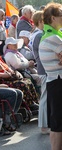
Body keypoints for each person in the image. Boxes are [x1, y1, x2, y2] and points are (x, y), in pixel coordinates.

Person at [0, 40, 39, 111]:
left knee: (27, 81)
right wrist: (4, 75)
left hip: (8, 77)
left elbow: (5, 66)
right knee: (21, 84)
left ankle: (33, 102)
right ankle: (28, 106)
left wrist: (12, 71)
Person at [39, 2, 62, 150]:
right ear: (53, 18)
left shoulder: (50, 34)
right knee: (58, 124)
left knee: (57, 122)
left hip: (54, 81)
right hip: (58, 82)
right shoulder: (54, 37)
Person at [29, 10, 50, 134]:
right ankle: (43, 126)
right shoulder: (38, 35)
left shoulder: (40, 34)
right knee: (45, 98)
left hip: (45, 69)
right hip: (44, 69)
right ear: (41, 21)